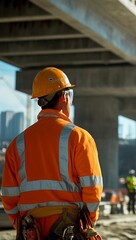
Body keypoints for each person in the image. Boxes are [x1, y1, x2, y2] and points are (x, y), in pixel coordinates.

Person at [1, 67, 103, 239]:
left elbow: (9, 196)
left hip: (30, 228)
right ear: (64, 96)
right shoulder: (79, 137)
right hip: (67, 229)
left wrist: (23, 225)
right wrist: (89, 220)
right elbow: (92, 189)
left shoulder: (17, 144)